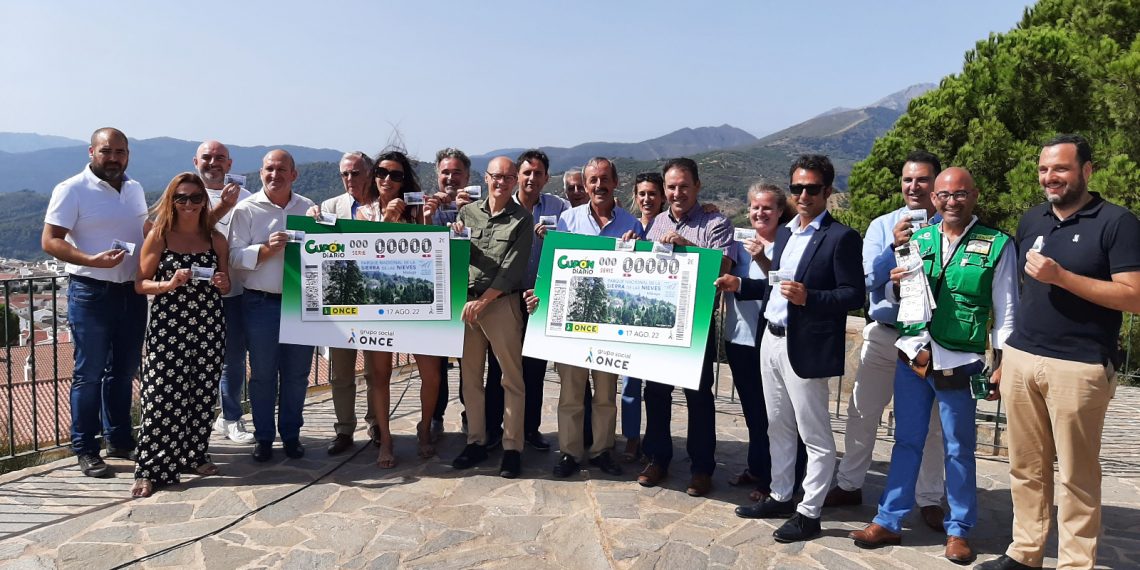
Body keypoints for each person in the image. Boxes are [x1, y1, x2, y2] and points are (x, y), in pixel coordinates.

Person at [977, 134, 1140, 570]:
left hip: (1081, 365)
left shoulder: (1118, 222)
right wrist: (1006, 355)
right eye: (1045, 169)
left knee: (1077, 477)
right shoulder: (1033, 219)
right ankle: (1025, 552)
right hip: (1023, 358)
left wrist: (1063, 277)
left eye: (1061, 169)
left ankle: (1074, 563)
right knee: (1025, 467)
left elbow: (1134, 297)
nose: (1051, 177)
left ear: (1087, 170)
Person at [849, 167, 1016, 564]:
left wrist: (1001, 364)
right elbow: (902, 294)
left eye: (960, 194)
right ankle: (889, 519)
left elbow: (1007, 310)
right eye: (943, 195)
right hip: (914, 358)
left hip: (961, 361)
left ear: (974, 196)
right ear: (934, 199)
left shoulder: (996, 244)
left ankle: (958, 530)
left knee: (959, 449)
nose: (951, 201)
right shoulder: (916, 239)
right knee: (906, 440)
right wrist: (892, 278)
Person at [716, 154, 864, 542]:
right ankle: (780, 495)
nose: (802, 195)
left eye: (811, 188)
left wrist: (810, 297)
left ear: (827, 192)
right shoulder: (785, 235)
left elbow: (853, 294)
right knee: (777, 425)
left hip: (806, 347)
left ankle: (809, 512)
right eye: (797, 187)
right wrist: (742, 285)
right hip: (771, 338)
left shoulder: (841, 237)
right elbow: (774, 288)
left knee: (814, 434)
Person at [826, 151, 947, 532]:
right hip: (885, 334)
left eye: (923, 180)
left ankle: (929, 498)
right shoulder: (882, 225)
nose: (914, 187)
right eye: (908, 180)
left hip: (928, 338)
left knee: (930, 424)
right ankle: (849, 484)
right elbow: (864, 280)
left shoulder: (950, 227)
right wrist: (891, 250)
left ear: (936, 183)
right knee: (863, 410)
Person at [42, 127, 148, 478]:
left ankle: (119, 440)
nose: (114, 157)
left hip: (131, 293)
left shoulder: (134, 189)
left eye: (120, 151)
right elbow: (50, 240)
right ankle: (85, 448)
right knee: (88, 374)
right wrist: (90, 259)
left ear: (128, 154)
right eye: (107, 151)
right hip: (90, 291)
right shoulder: (70, 188)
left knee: (123, 371)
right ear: (92, 152)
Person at [130, 172, 232, 497]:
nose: (189, 204)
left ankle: (194, 455)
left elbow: (226, 281)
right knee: (161, 398)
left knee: (201, 394)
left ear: (205, 202)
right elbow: (140, 283)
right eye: (182, 198)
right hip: (169, 326)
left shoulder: (216, 239)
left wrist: (223, 283)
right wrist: (168, 284)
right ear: (172, 200)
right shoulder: (159, 235)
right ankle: (149, 468)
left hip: (208, 325)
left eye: (195, 198)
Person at [637, 158, 734, 498]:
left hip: (696, 322)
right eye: (672, 187)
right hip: (660, 321)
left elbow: (723, 265)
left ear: (697, 187)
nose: (677, 192)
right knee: (657, 392)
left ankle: (702, 468)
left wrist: (688, 247)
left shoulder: (716, 222)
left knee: (699, 396)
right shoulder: (656, 222)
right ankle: (658, 459)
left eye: (684, 186)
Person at [547, 157, 643, 478]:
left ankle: (602, 450)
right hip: (574, 319)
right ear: (585, 185)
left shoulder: (632, 225)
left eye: (605, 179)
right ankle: (571, 453)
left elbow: (641, 278)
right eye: (593, 181)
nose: (599, 186)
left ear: (616, 183)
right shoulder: (568, 221)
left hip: (611, 323)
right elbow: (555, 266)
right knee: (571, 393)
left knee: (605, 394)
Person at [355, 150, 443, 468]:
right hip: (377, 304)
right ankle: (386, 439)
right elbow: (362, 256)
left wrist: (428, 220)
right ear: (373, 175)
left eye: (395, 175)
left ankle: (423, 429)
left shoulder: (418, 210)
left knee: (431, 374)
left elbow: (433, 253)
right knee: (379, 376)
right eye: (381, 172)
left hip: (416, 303)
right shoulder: (363, 214)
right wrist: (387, 220)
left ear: (405, 181)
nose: (387, 180)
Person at [228, 150, 316, 462]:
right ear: (261, 172)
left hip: (301, 304)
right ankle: (264, 437)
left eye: (281, 169)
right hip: (260, 303)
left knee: (296, 374)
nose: (274, 175)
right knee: (263, 374)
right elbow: (233, 258)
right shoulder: (246, 209)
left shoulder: (308, 209)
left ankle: (291, 435)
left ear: (294, 174)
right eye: (269, 169)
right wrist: (265, 250)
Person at [449, 157, 533, 479]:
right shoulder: (466, 213)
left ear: (514, 182)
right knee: (470, 379)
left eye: (508, 177)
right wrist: (455, 237)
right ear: (486, 178)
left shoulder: (523, 219)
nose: (501, 182)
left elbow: (512, 269)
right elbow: (460, 257)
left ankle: (512, 448)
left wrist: (483, 302)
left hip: (500, 305)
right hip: (467, 305)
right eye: (496, 176)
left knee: (511, 379)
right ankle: (476, 441)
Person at [484, 150, 569, 452]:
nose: (532, 178)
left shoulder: (561, 208)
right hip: (506, 298)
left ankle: (529, 429)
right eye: (527, 173)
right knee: (499, 369)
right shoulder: (503, 204)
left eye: (538, 173)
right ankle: (495, 428)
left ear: (547, 177)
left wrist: (556, 240)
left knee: (534, 369)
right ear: (517, 176)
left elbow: (573, 245)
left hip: (542, 300)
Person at [310, 152, 379, 455]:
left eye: (356, 173)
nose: (350, 179)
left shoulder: (383, 206)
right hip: (342, 302)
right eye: (345, 174)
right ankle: (344, 430)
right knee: (341, 373)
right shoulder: (328, 207)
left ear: (369, 172)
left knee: (377, 371)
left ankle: (377, 425)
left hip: (378, 301)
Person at [193, 140, 256, 445]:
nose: (213, 162)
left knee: (233, 359)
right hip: (194, 294)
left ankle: (230, 417)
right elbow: (183, 232)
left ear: (230, 164)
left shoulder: (249, 198)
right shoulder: (186, 193)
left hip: (239, 290)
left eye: (220, 158)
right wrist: (222, 208)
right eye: (207, 157)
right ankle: (194, 422)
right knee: (195, 360)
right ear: (196, 161)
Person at [425, 147, 474, 439]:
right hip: (436, 296)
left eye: (457, 172)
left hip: (469, 295)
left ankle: (472, 414)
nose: (451, 178)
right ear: (437, 175)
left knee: (470, 362)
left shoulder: (478, 206)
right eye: (445, 172)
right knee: (436, 363)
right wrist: (426, 214)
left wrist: (466, 210)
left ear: (467, 176)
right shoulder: (424, 206)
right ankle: (434, 416)